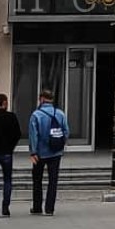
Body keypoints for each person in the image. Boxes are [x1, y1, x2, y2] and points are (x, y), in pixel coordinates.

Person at [27, 88, 70, 216]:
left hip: (40, 153)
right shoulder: (60, 114)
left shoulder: (36, 115)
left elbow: (33, 135)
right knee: (53, 180)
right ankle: (49, 208)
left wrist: (33, 152)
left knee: (37, 180)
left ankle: (37, 207)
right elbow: (66, 131)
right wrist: (61, 144)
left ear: (42, 99)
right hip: (56, 152)